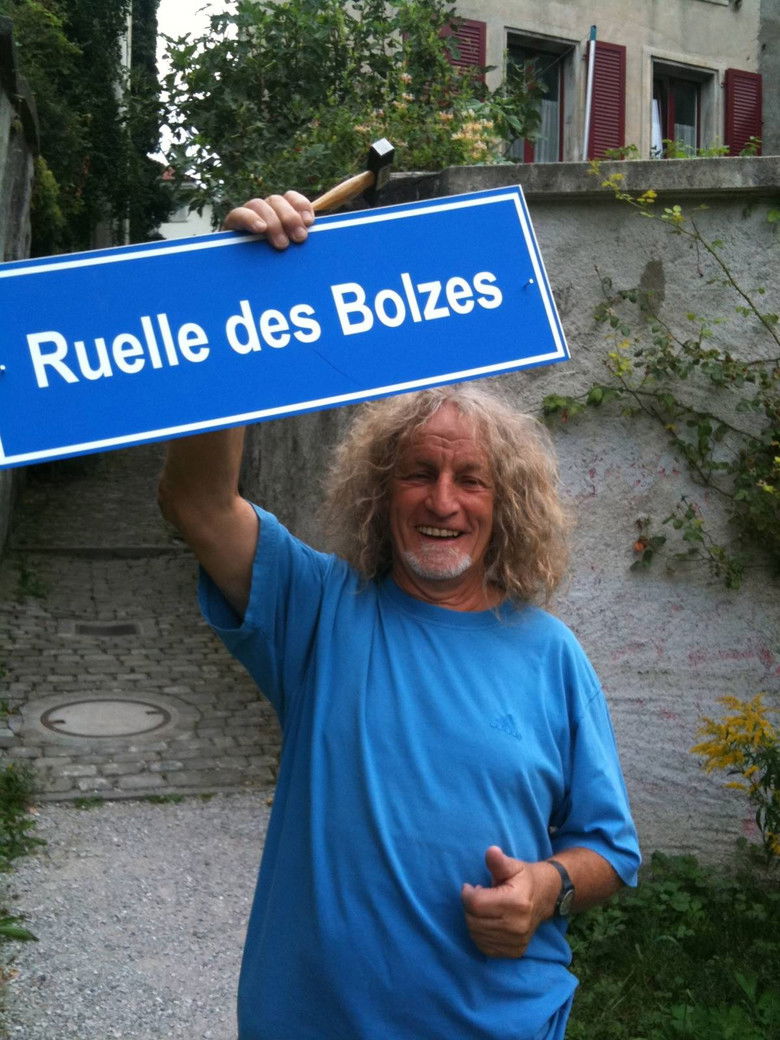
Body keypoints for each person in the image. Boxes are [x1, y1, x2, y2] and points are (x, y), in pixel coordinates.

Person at [158, 192, 641, 1040]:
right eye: (419, 473)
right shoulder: (318, 611)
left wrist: (547, 888)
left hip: (499, 1023)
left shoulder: (551, 654)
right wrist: (235, 300)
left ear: (505, 505)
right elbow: (197, 503)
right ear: (380, 493)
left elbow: (610, 847)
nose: (442, 501)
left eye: (470, 480)